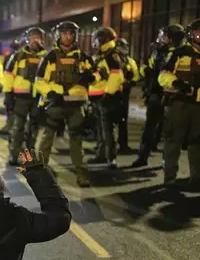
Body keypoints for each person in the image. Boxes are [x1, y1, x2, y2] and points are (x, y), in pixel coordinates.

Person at [35, 21, 96, 187]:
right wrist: (51, 93)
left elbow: (96, 76)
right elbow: (39, 81)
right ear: (59, 36)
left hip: (76, 105)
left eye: (71, 33)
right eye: (64, 33)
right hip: (55, 104)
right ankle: (40, 174)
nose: (68, 36)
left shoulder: (84, 57)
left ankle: (81, 174)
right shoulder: (49, 57)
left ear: (75, 36)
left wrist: (92, 77)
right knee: (47, 138)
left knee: (76, 140)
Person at [158, 18, 200, 189]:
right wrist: (177, 83)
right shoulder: (179, 53)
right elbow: (163, 75)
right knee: (173, 140)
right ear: (190, 33)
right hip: (180, 104)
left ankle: (197, 177)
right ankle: (170, 177)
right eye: (197, 30)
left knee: (198, 142)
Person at [132, 24, 185, 168]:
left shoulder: (181, 54)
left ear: (172, 38)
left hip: (171, 96)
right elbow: (147, 66)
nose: (161, 38)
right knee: (149, 127)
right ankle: (142, 156)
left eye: (164, 36)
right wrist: (145, 71)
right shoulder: (158, 52)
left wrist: (154, 74)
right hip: (155, 94)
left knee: (169, 130)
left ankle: (166, 160)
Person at [4, 27, 47, 165]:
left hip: (38, 97)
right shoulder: (17, 55)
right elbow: (9, 76)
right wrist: (8, 94)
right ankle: (14, 154)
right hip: (21, 97)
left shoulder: (47, 57)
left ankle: (30, 154)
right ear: (27, 39)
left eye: (38, 37)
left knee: (34, 127)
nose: (35, 40)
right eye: (32, 37)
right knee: (18, 127)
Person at [87, 27, 125, 169]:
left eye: (96, 39)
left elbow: (116, 76)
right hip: (99, 97)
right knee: (101, 129)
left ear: (103, 40)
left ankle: (111, 158)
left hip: (107, 98)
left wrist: (108, 95)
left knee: (108, 130)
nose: (94, 42)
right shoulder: (102, 55)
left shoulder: (111, 55)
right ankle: (102, 155)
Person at [115, 38, 141, 152]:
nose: (123, 49)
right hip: (112, 92)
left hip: (124, 93)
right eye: (120, 47)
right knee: (106, 121)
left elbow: (136, 75)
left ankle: (123, 144)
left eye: (124, 46)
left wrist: (131, 81)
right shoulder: (112, 60)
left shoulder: (130, 61)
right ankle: (104, 144)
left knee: (123, 120)